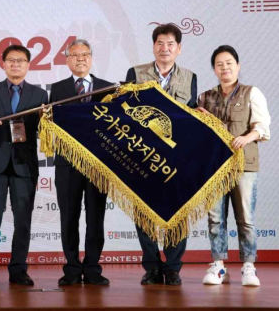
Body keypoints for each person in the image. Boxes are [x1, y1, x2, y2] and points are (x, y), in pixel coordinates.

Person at [125, 23, 197, 286]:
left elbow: (191, 117)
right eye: (160, 43)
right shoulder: (136, 73)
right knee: (143, 213)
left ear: (179, 49)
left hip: (177, 158)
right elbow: (126, 111)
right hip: (142, 155)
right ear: (153, 47)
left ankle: (173, 268)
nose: (165, 48)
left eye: (170, 44)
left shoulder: (190, 77)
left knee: (179, 212)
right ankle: (152, 267)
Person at [197, 45, 270, 287]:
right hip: (215, 167)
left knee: (245, 218)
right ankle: (219, 266)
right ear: (214, 69)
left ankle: (249, 267)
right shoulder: (205, 97)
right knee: (215, 218)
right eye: (219, 64)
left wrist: (247, 137)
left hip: (244, 165)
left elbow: (262, 127)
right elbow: (199, 133)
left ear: (238, 66)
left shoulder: (252, 93)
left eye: (229, 63)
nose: (224, 68)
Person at [0, 44, 49, 287]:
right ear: (3, 64)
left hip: (24, 165)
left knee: (23, 221)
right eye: (11, 60)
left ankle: (18, 269)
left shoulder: (40, 95)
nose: (15, 64)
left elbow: (43, 131)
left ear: (28, 65)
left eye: (20, 60)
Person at [50, 39, 113, 286]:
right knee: (69, 217)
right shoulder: (57, 89)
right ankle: (72, 269)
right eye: (75, 55)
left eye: (85, 54)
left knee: (96, 217)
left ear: (91, 58)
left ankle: (93, 268)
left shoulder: (108, 88)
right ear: (67, 60)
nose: (80, 59)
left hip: (98, 164)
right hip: (68, 163)